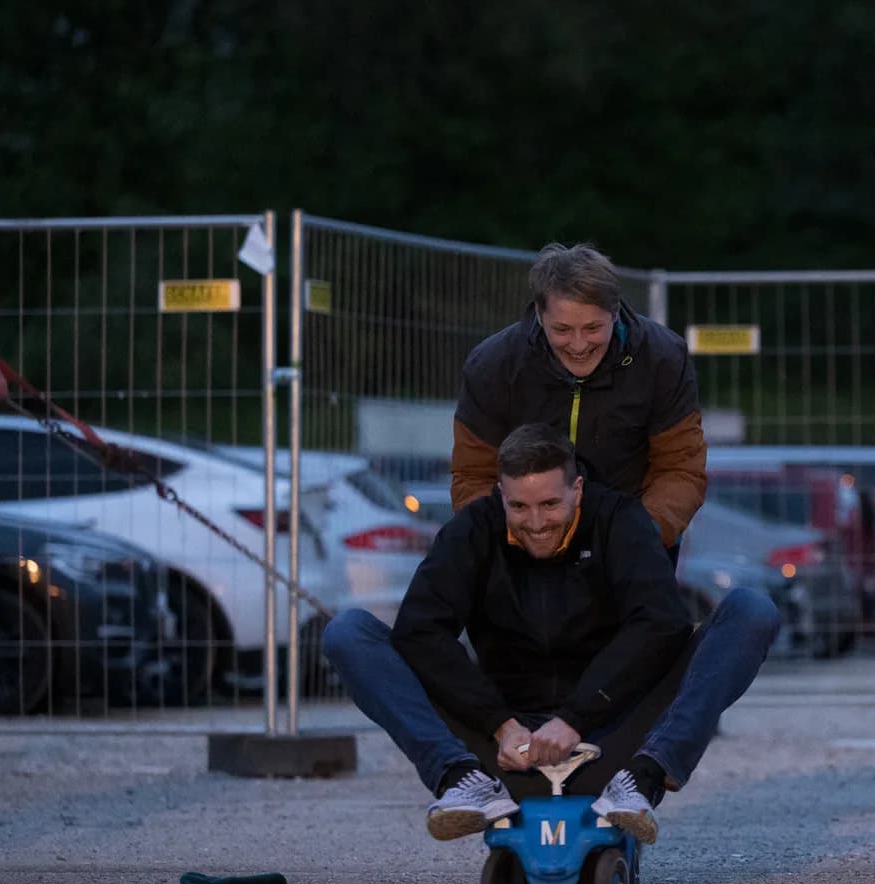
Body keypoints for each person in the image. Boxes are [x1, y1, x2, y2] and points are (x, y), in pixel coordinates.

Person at [323, 425, 779, 845]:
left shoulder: (619, 521)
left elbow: (661, 624)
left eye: (550, 504)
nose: (535, 522)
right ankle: (460, 780)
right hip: (507, 749)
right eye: (518, 506)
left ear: (576, 489)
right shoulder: (474, 529)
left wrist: (576, 718)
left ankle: (643, 779)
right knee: (348, 632)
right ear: (500, 493)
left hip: (611, 737)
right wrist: (498, 724)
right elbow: (420, 631)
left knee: (751, 610)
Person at [452, 243, 706, 550]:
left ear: (614, 313)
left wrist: (642, 533)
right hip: (524, 542)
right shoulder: (493, 365)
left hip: (630, 537)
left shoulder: (662, 359)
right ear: (539, 314)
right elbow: (472, 475)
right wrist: (512, 538)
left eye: (592, 328)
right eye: (562, 329)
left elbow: (680, 469)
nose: (578, 344)